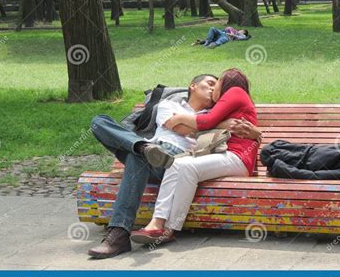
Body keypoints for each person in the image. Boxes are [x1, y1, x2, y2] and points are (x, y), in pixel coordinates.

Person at [87, 73, 260, 259]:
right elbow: (177, 127)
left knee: (137, 156)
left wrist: (217, 123)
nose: (212, 88)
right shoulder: (169, 105)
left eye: (216, 86)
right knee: (99, 121)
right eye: (209, 83)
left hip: (175, 159)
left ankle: (119, 235)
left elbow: (241, 123)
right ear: (192, 85)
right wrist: (217, 124)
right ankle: (142, 146)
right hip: (155, 151)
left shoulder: (215, 112)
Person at [130, 68, 259, 244]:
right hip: (225, 155)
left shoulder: (235, 92)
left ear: (227, 82)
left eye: (218, 82)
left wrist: (178, 118)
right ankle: (157, 223)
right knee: (176, 164)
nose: (214, 89)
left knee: (187, 167)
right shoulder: (231, 99)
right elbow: (206, 125)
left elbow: (206, 122)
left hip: (237, 158)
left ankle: (170, 228)